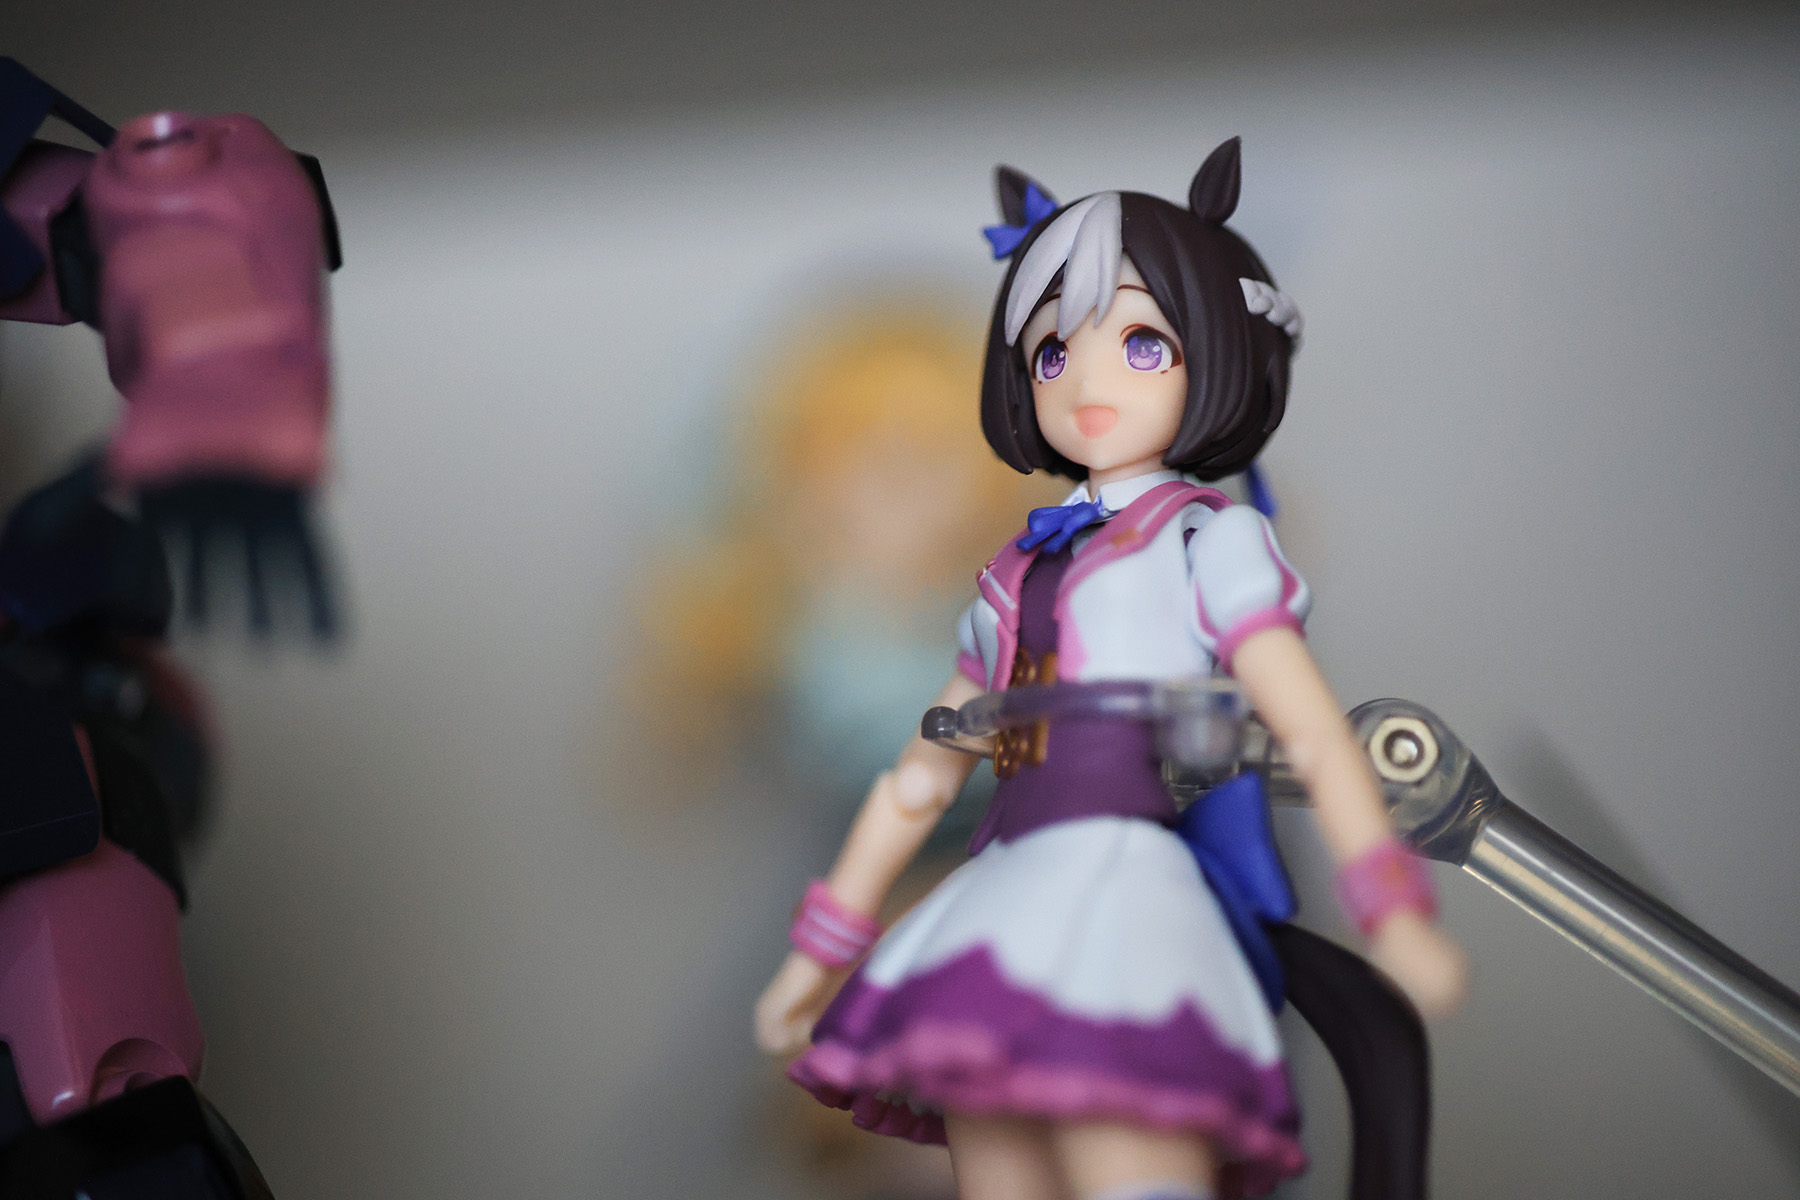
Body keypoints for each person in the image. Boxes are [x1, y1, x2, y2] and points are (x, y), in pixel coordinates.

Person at [755, 138, 1466, 1200]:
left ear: (1209, 353)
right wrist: (818, 955)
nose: (1088, 380)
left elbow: (1312, 732)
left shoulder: (1210, 544)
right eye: (1053, 351)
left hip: (1131, 904)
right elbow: (920, 775)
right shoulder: (1016, 574)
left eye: (1139, 342)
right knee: (999, 1165)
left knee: (1129, 1151)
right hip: (1000, 908)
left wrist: (1392, 908)